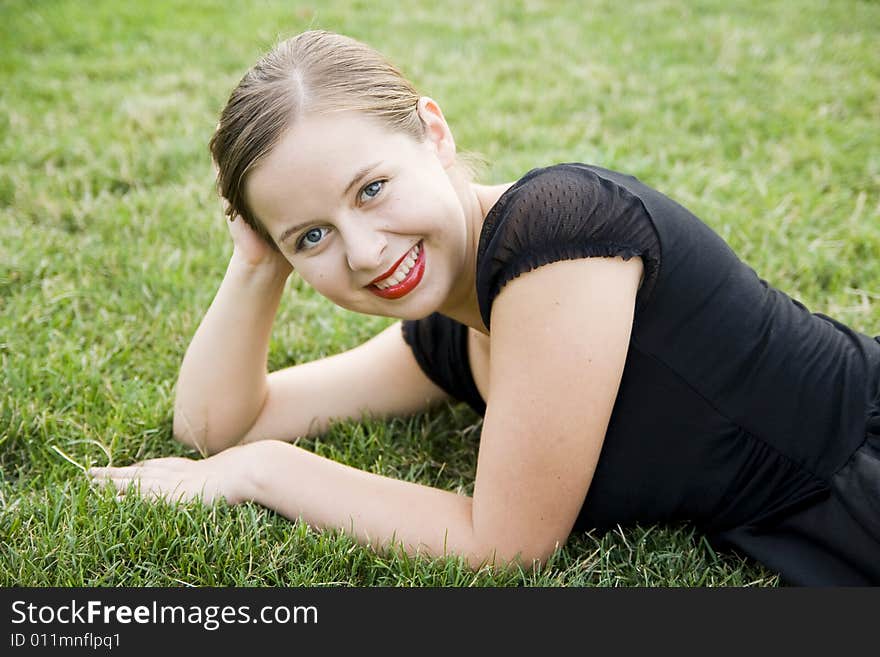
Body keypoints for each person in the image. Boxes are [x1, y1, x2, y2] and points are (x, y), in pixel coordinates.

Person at [88, 29, 880, 586]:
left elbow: (506, 545)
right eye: (314, 235)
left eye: (372, 188)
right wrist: (256, 261)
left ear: (433, 132)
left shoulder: (558, 232)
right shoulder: (451, 328)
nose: (363, 252)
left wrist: (263, 472)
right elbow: (213, 426)